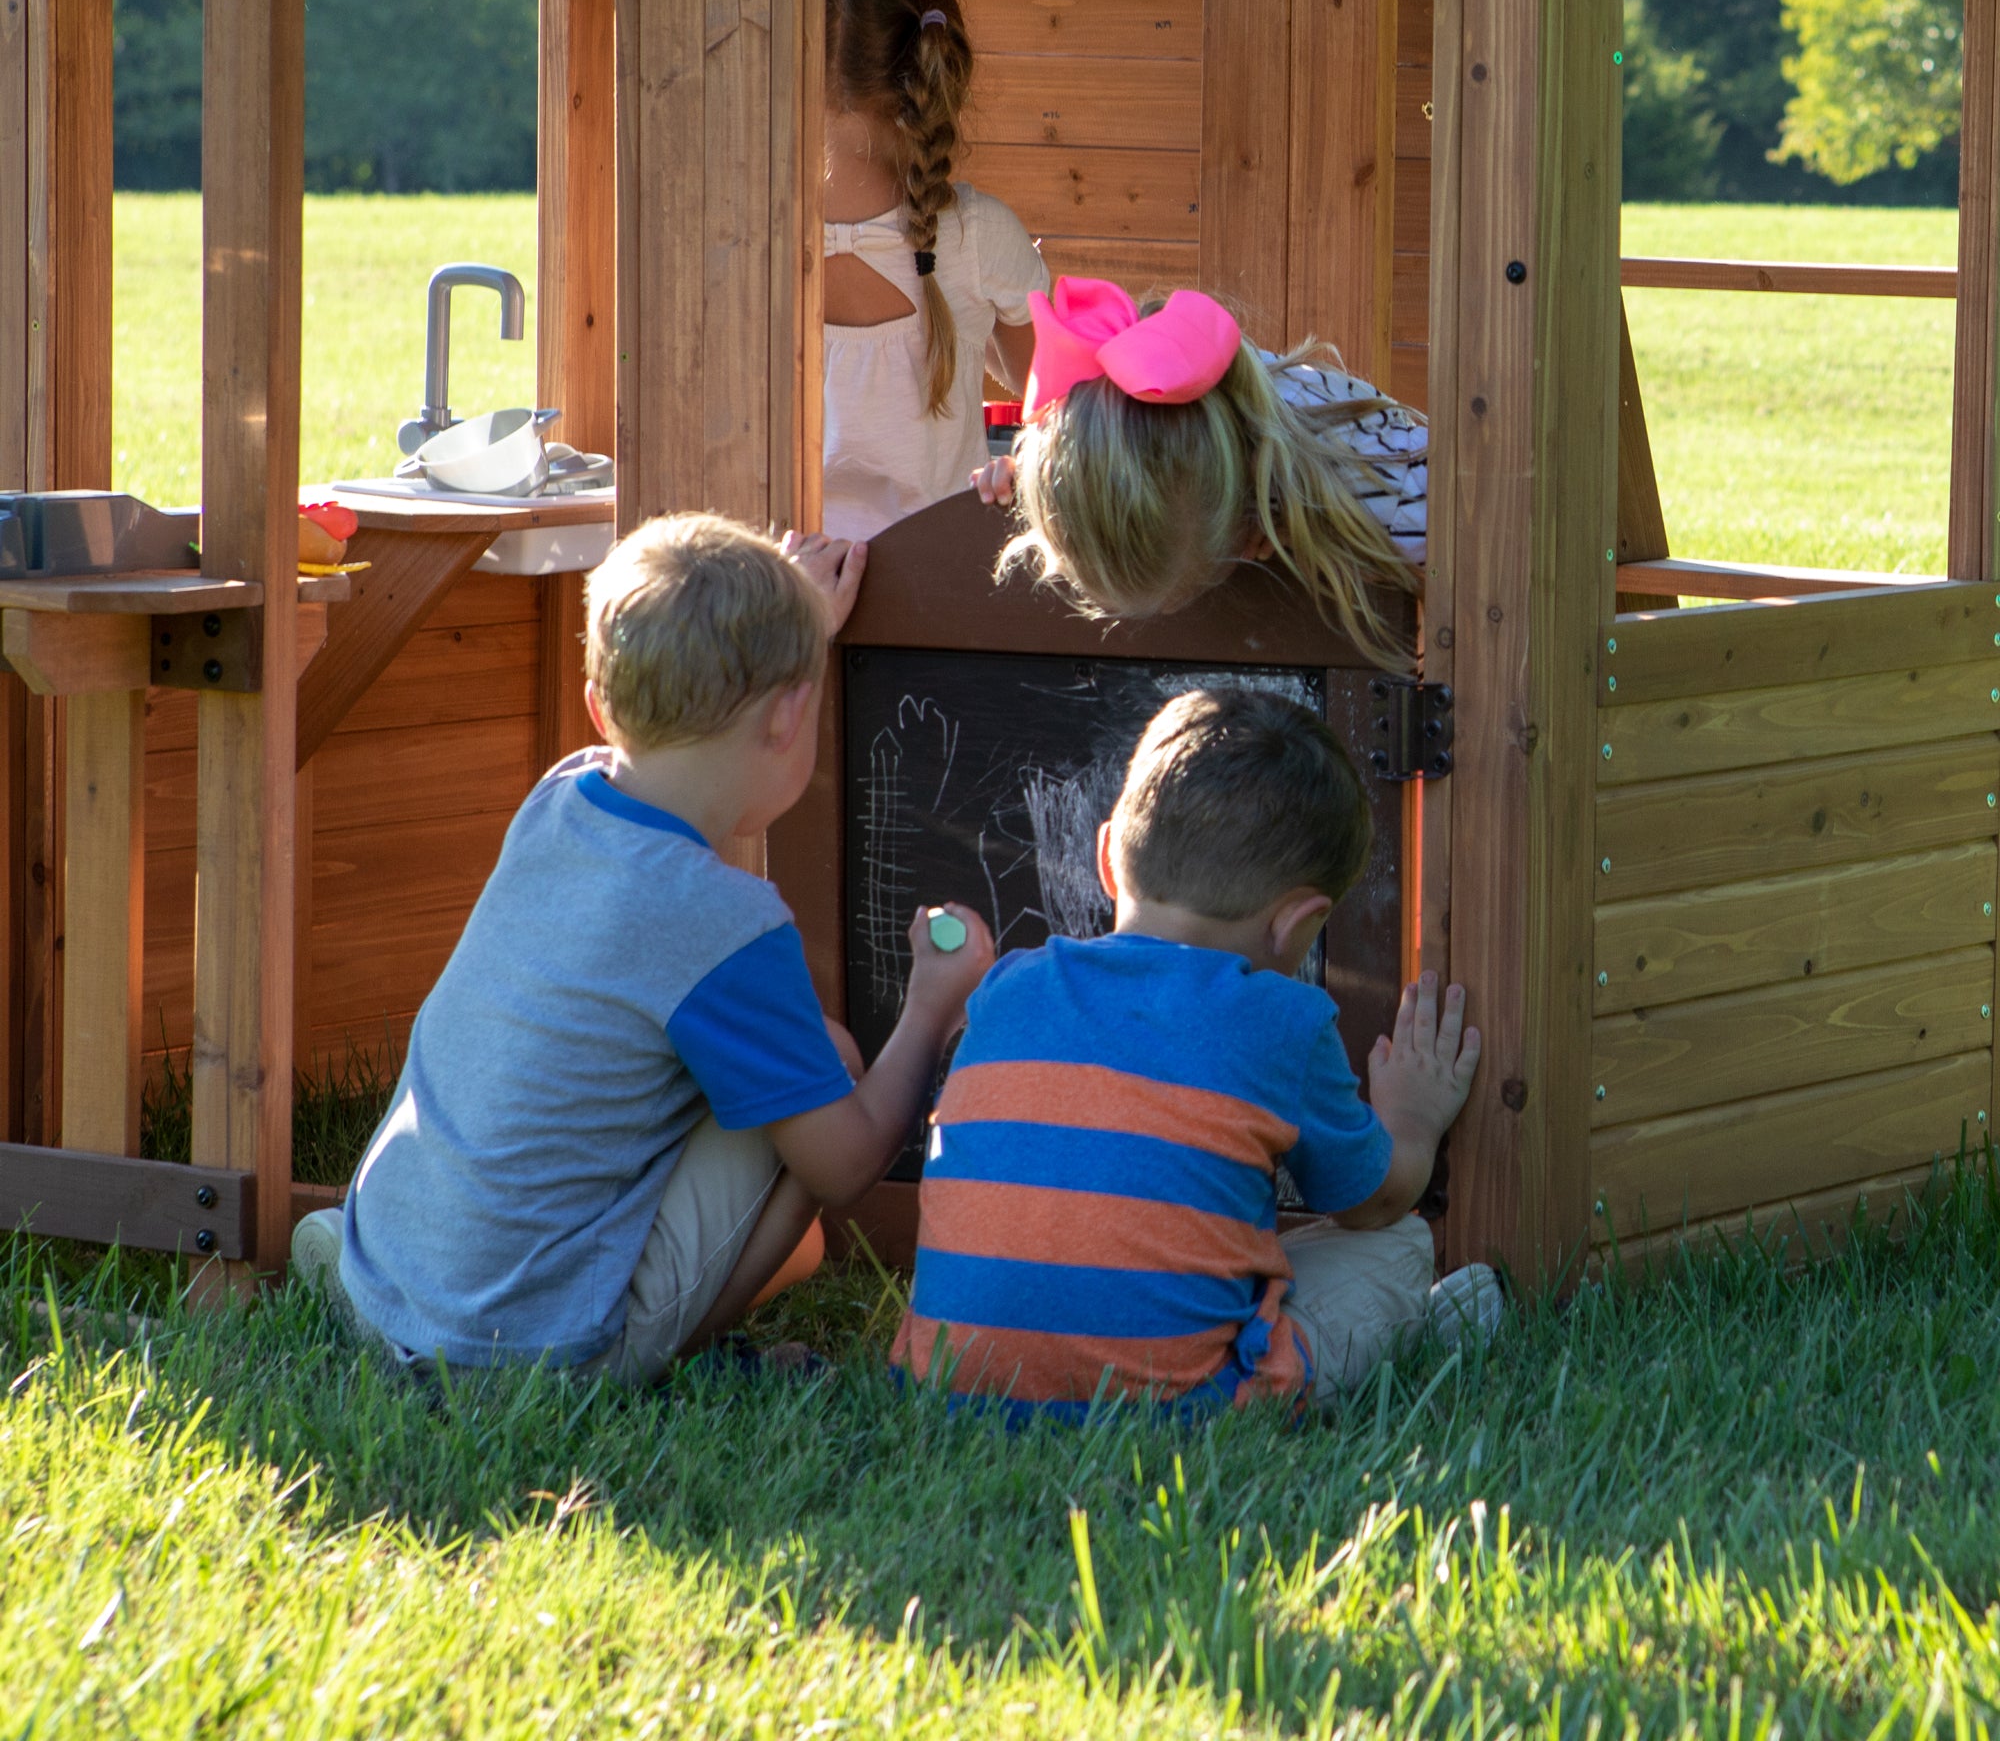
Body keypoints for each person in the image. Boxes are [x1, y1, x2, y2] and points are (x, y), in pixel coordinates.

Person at [293, 513, 995, 1380]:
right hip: (523, 1353)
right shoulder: (728, 922)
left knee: (788, 1073)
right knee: (836, 1067)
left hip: (392, 1271)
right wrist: (931, 1005)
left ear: (599, 705)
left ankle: (380, 1285)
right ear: (788, 717)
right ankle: (658, 1360)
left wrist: (791, 626)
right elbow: (846, 1162)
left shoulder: (560, 799)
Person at [892, 687, 1497, 1416]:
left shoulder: (1006, 985)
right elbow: (1376, 1204)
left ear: (1109, 858)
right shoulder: (1283, 1019)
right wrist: (1415, 1120)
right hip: (1184, 1409)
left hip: (946, 1386)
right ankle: (1427, 1330)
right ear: (1299, 923)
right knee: (1398, 1249)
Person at [972, 276, 1427, 673]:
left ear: (1250, 535)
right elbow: (1121, 456)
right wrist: (1038, 485)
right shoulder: (1162, 405)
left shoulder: (1395, 502)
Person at [823, 0, 1050, 542]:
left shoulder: (748, 238)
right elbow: (1056, 411)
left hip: (778, 594)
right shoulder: (978, 236)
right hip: (930, 605)